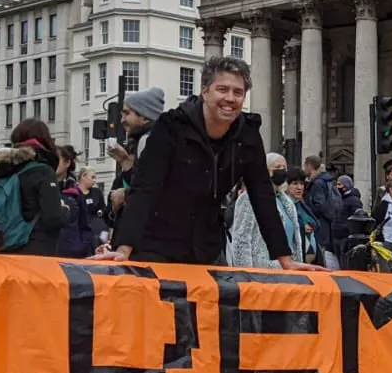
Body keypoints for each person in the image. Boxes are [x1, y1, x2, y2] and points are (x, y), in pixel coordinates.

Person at [106, 58, 309, 269]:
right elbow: (145, 189)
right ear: (205, 91)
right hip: (156, 244)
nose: (230, 98)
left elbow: (262, 195)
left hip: (207, 246)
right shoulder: (171, 126)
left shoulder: (248, 134)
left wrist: (285, 259)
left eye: (238, 92)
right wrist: (123, 249)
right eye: (222, 89)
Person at [0, 119, 69, 257]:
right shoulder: (43, 171)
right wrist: (65, 210)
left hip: (4, 249)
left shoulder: (5, 170)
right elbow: (53, 219)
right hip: (36, 251)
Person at [228, 153, 303, 269]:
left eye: (284, 168)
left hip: (287, 271)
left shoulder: (287, 202)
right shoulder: (248, 198)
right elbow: (241, 240)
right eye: (278, 167)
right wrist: (246, 273)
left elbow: (294, 239)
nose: (282, 171)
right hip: (262, 270)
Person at [107, 86, 166, 219]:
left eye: (127, 113)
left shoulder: (149, 140)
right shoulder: (153, 138)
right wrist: (125, 162)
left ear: (145, 116)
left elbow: (152, 190)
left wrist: (125, 194)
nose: (122, 120)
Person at [302, 155, 344, 262]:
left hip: (320, 225)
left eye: (305, 166)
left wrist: (307, 210)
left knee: (320, 255)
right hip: (328, 224)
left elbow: (320, 205)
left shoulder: (318, 183)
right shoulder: (328, 180)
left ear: (309, 166)